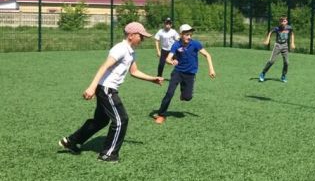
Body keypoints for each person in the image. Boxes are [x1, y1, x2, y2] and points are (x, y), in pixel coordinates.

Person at [58, 22, 163, 162]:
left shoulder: (131, 52)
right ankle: (108, 154)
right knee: (121, 120)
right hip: (106, 89)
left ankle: (71, 141)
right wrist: (91, 87)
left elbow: (134, 71)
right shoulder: (120, 49)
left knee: (100, 121)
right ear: (131, 35)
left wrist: (152, 79)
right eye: (141, 36)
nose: (143, 39)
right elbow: (103, 67)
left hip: (106, 88)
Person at [154, 24, 216, 124]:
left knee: (187, 97)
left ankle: (184, 93)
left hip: (190, 74)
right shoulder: (176, 45)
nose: (189, 37)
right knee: (170, 93)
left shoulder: (195, 44)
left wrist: (211, 69)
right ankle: (161, 114)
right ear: (181, 34)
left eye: (190, 34)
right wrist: (171, 62)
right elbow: (168, 59)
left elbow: (207, 55)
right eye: (187, 35)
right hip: (177, 72)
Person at [259, 16, 295, 83]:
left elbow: (292, 34)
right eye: (281, 21)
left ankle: (283, 76)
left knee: (286, 62)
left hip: (285, 46)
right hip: (277, 45)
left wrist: (292, 43)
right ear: (279, 22)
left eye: (284, 21)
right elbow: (270, 32)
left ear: (286, 22)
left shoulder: (289, 28)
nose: (282, 22)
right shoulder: (277, 28)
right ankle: (263, 73)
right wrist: (267, 40)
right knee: (271, 61)